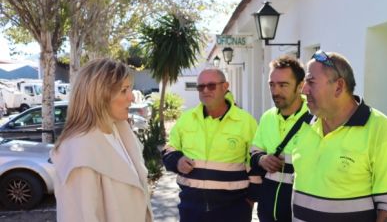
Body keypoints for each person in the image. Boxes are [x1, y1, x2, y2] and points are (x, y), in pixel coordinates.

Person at [291, 50, 387, 222]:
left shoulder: (381, 130)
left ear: (339, 86)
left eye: (311, 82)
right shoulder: (304, 125)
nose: (303, 90)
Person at [51, 58, 153, 221]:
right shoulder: (80, 152)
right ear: (99, 96)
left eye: (130, 89)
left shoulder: (119, 132)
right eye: (124, 90)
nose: (131, 98)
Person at [162, 68, 257, 222]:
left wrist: (250, 201)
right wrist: (177, 161)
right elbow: (169, 149)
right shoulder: (186, 119)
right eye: (201, 87)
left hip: (234, 212)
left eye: (211, 86)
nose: (205, 90)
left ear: (225, 87)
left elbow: (255, 164)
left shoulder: (246, 122)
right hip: (191, 211)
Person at [248, 55, 311, 222]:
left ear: (300, 86)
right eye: (272, 84)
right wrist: (261, 159)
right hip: (268, 211)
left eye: (283, 85)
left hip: (301, 210)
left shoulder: (317, 119)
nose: (275, 91)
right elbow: (254, 152)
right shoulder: (267, 117)